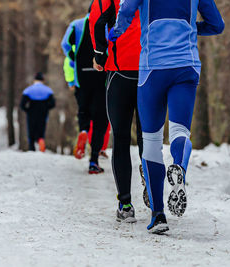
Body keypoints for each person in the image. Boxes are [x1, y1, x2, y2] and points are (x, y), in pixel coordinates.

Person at [109, 0, 224, 233]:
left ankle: (158, 216)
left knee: (151, 141)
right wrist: (192, 27)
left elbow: (126, 11)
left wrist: (115, 33)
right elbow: (217, 25)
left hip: (153, 68)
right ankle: (179, 168)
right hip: (186, 66)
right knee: (180, 131)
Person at [89, 0, 145, 223]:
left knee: (120, 138)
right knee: (147, 137)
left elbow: (97, 22)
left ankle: (125, 204)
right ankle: (151, 188)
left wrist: (99, 54)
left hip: (119, 71)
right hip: (149, 69)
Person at [61, 11, 109, 174]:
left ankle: (82, 130)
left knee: (83, 110)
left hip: (81, 75)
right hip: (101, 75)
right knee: (100, 119)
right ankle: (94, 160)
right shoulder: (107, 23)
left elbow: (65, 44)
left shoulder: (76, 25)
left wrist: (74, 57)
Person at [20, 72, 56, 152]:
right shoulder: (48, 90)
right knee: (41, 130)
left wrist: (27, 110)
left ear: (34, 80)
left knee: (31, 132)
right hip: (43, 113)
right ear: (43, 80)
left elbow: (22, 105)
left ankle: (31, 148)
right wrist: (46, 108)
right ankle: (41, 142)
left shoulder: (28, 90)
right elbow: (53, 104)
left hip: (31, 113)